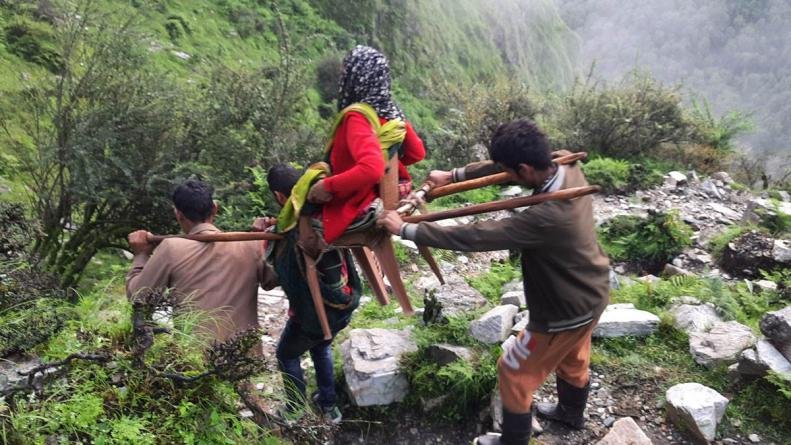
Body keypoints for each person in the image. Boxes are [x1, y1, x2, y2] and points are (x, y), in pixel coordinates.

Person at [377, 119, 610, 445]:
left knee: (512, 371)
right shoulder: (563, 161)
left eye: (510, 171)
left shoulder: (548, 217)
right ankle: (571, 414)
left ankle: (512, 441)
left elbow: (477, 235)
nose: (505, 173)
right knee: (573, 358)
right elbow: (498, 166)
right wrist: (453, 175)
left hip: (563, 312)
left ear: (525, 169)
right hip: (594, 291)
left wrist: (405, 229)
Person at [255, 164, 361, 424]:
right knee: (321, 347)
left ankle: (294, 409)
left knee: (286, 354)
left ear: (280, 196)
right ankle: (329, 405)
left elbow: (270, 281)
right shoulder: (327, 217)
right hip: (342, 307)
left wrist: (260, 237)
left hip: (312, 317)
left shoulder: (286, 236)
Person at [126, 179, 278, 344]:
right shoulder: (251, 245)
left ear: (178, 215)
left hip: (193, 356)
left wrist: (141, 255)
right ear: (215, 208)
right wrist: (266, 242)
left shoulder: (170, 248)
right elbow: (273, 280)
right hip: (245, 354)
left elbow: (139, 298)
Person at [306, 45, 425, 243]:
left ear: (355, 78)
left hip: (356, 201)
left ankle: (309, 254)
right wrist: (385, 154)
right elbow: (417, 153)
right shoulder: (392, 112)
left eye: (346, 72)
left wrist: (327, 186)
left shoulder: (357, 117)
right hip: (395, 194)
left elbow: (371, 169)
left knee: (299, 199)